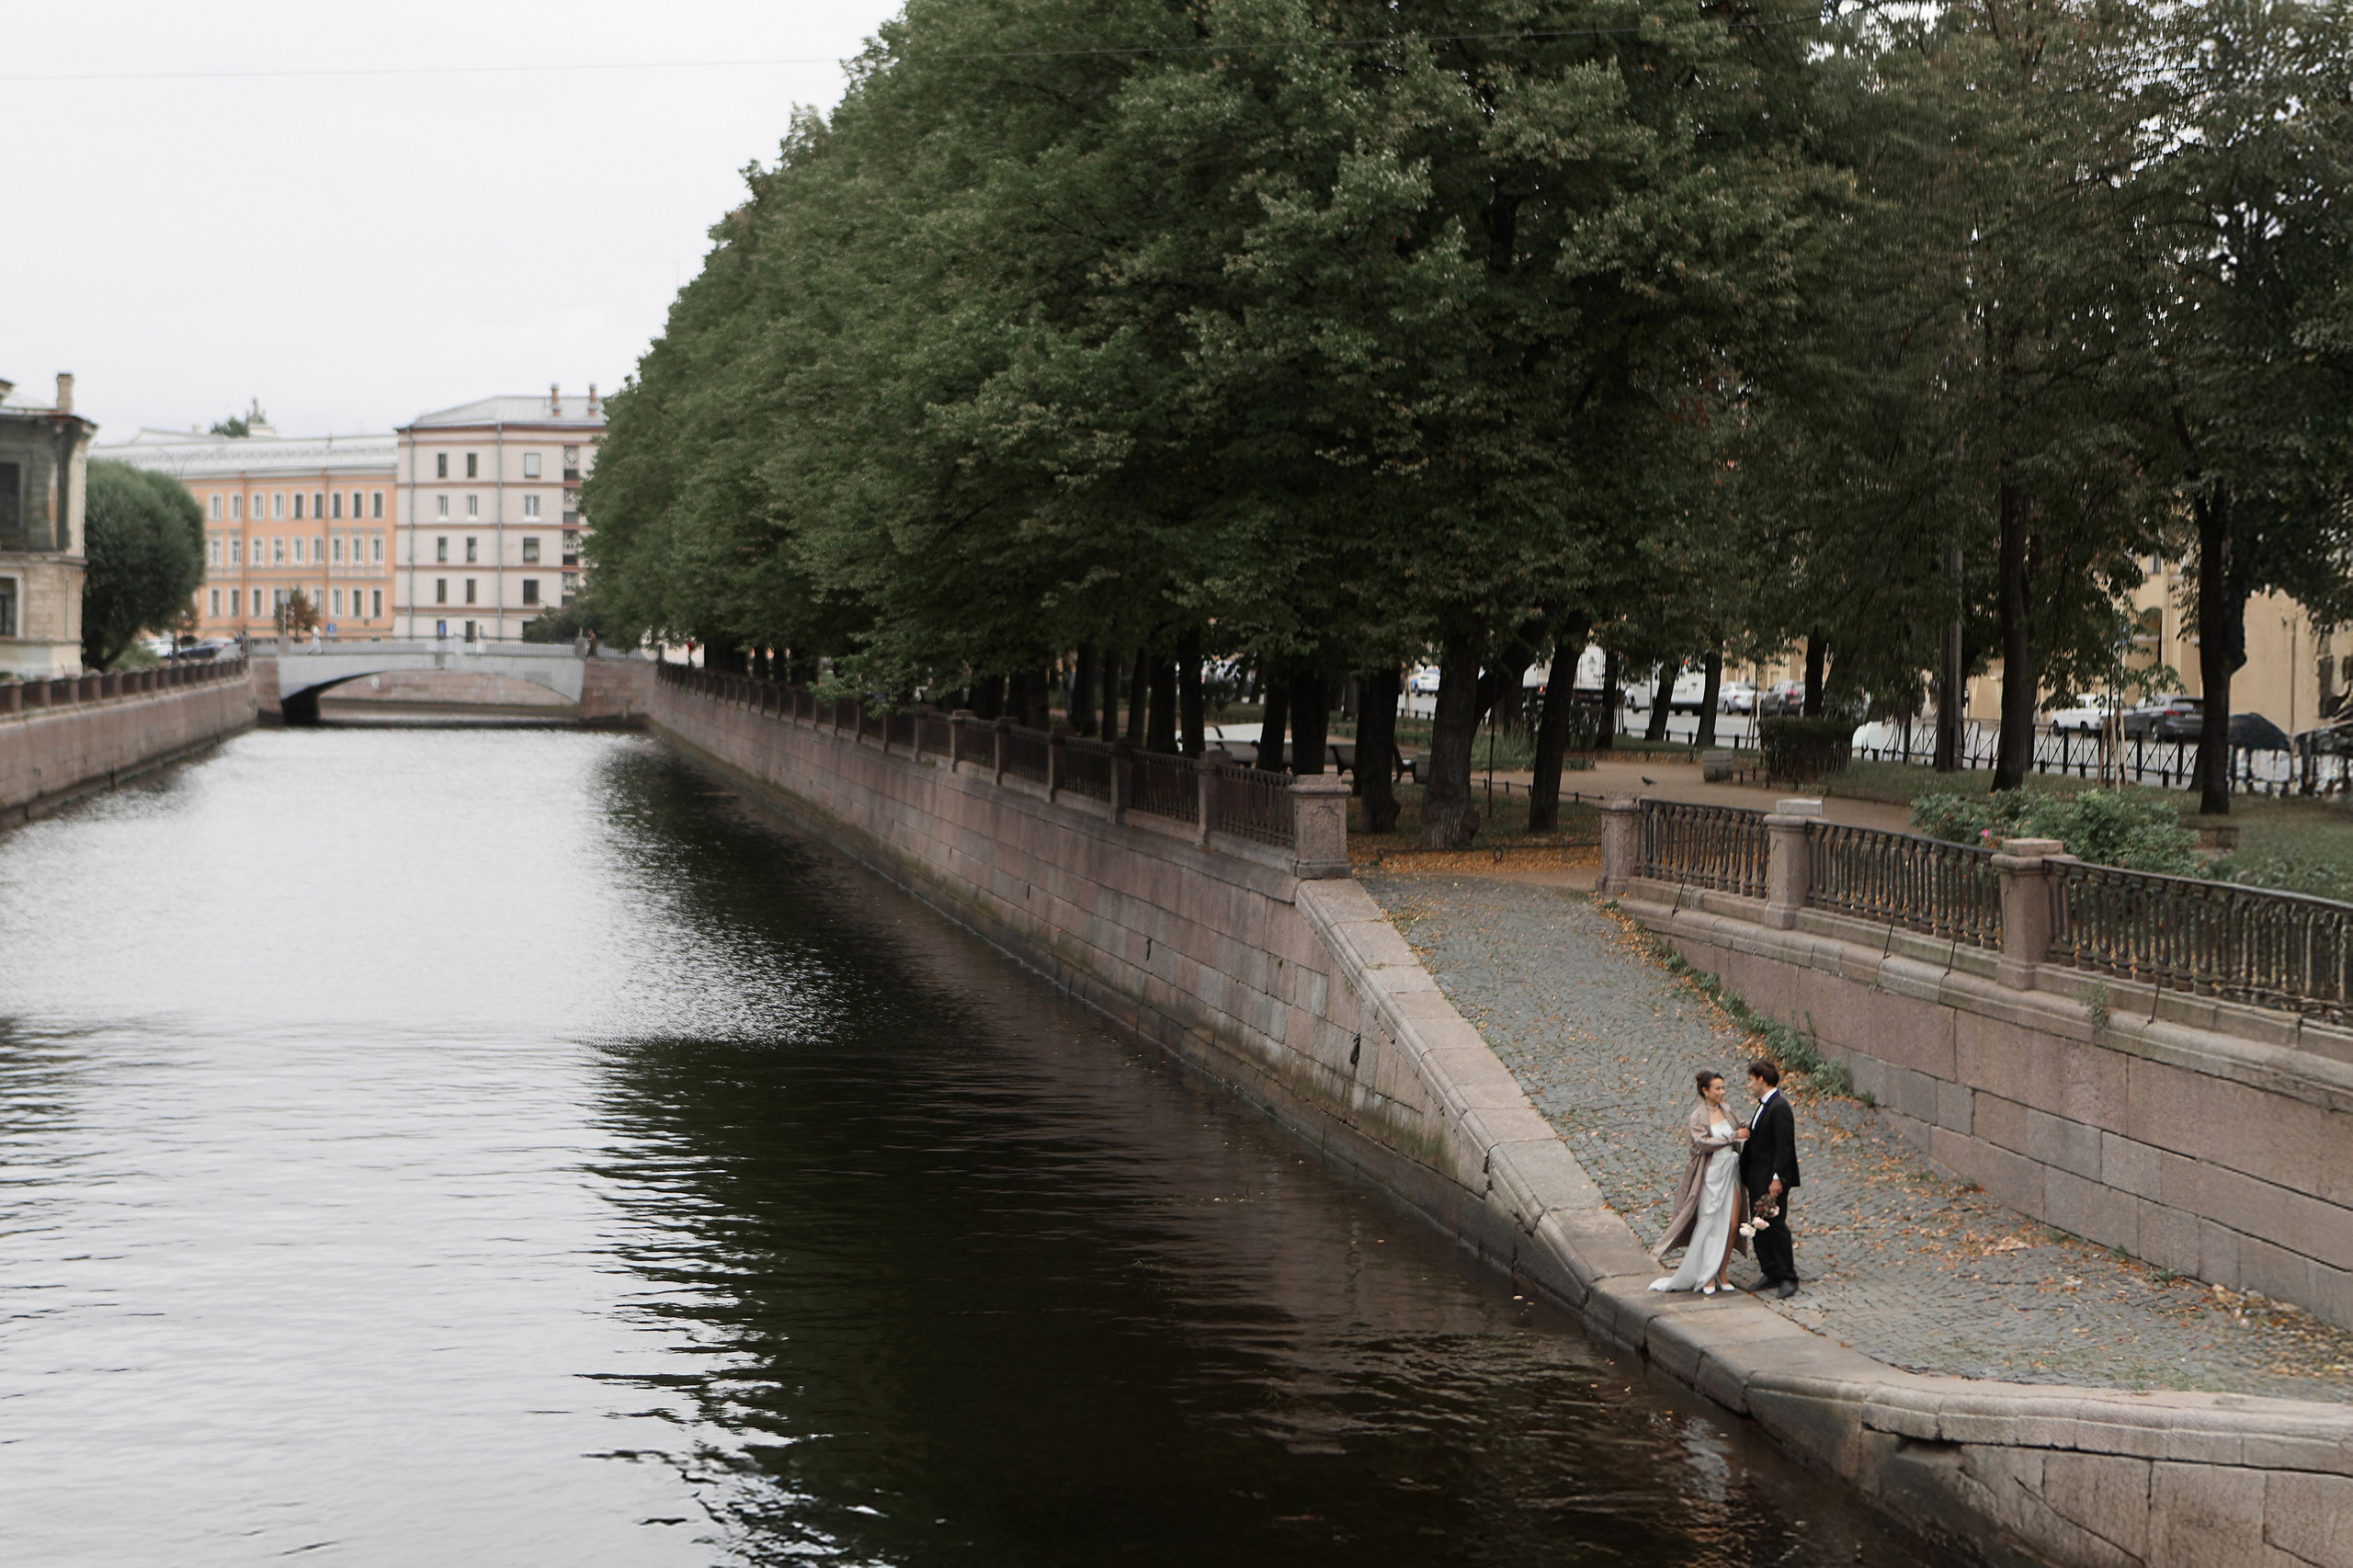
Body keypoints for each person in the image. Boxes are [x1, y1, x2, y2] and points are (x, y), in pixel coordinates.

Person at [1648, 1070, 1750, 1297]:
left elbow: (1742, 1125)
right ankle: (1706, 1274)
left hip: (1731, 1171)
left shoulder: (1727, 1110)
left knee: (1734, 1223)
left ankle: (1721, 1271)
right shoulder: (1698, 1116)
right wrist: (1732, 1137)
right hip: (1710, 1175)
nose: (1722, 1092)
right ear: (1705, 1091)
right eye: (1718, 1088)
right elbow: (1702, 1142)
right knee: (1709, 1223)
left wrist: (1747, 1128)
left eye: (1723, 1087)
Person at [1739, 1059, 1803, 1298]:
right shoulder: (1764, 1105)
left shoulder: (1780, 1107)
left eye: (1751, 1080)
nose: (1750, 1085)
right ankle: (1771, 1270)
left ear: (1761, 1080)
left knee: (1776, 1225)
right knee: (1758, 1223)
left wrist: (1777, 1178)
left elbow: (1784, 1147)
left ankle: (1788, 1276)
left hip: (1771, 1180)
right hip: (1757, 1176)